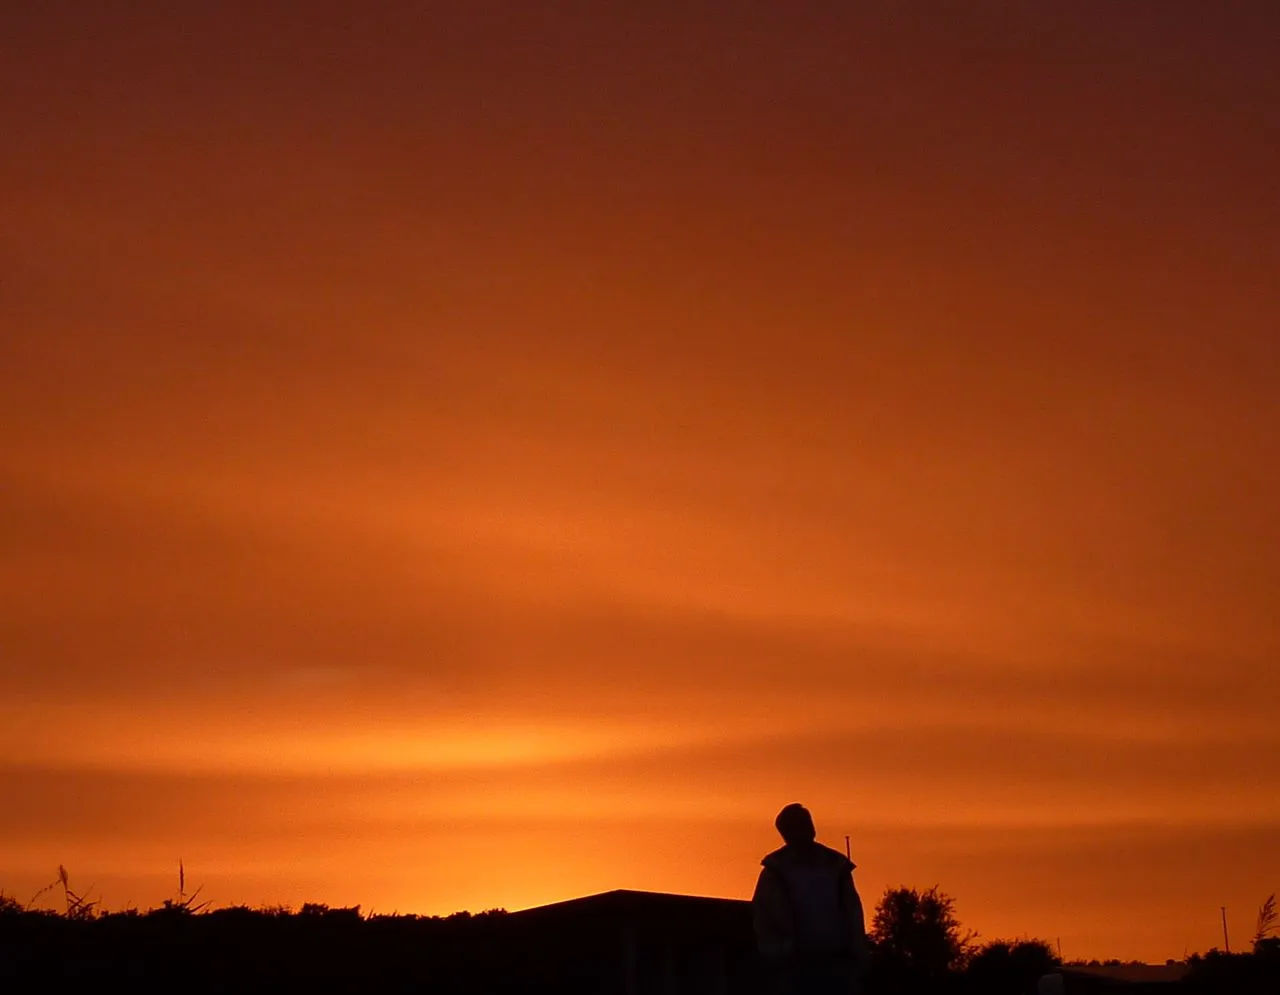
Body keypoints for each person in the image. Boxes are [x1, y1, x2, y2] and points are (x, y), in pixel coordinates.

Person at [752, 803, 871, 995]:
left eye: (806, 824)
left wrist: (857, 952)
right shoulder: (775, 872)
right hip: (795, 968)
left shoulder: (836, 867)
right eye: (797, 826)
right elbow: (763, 917)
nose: (805, 830)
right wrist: (778, 951)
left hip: (837, 965)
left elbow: (853, 913)